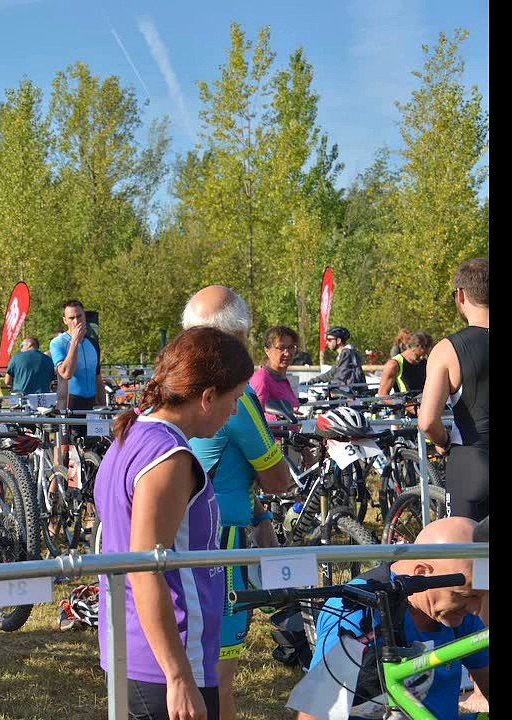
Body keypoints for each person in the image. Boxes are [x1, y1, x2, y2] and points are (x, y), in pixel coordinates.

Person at [95, 326, 257, 720]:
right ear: (206, 397)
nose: (234, 411)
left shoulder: (131, 433)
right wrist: (179, 676)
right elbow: (144, 568)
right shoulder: (168, 457)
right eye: (233, 400)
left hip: (136, 647)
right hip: (167, 658)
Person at [181, 286, 294, 720]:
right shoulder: (238, 395)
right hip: (221, 537)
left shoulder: (172, 384)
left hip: (179, 536)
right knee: (218, 682)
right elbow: (278, 476)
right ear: (241, 336)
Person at [290, 517, 488, 720]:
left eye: (481, 596)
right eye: (465, 596)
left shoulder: (458, 607)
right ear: (422, 573)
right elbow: (314, 714)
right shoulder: (359, 614)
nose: (475, 609)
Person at [419, 258, 488, 522]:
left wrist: (443, 441)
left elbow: (427, 421)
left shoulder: (448, 349)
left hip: (471, 463)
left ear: (460, 295)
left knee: (465, 560)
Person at [50, 299, 105, 414]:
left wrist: (103, 406)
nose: (76, 321)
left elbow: (97, 378)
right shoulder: (58, 343)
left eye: (79, 316)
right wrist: (74, 342)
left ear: (84, 316)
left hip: (92, 404)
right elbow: (66, 373)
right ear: (65, 320)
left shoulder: (93, 343)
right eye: (71, 318)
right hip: (70, 404)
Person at [249, 325, 302, 425]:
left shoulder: (282, 378)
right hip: (274, 440)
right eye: (281, 348)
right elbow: (252, 417)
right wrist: (281, 416)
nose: (287, 353)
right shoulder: (262, 379)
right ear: (267, 350)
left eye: (291, 347)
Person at [305, 326, 366, 392]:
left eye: (329, 340)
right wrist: (311, 381)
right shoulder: (343, 354)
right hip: (348, 394)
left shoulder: (346, 353)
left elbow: (341, 375)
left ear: (338, 340)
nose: (327, 343)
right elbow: (331, 374)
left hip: (351, 395)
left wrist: (331, 386)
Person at [377, 331, 432, 397]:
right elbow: (382, 395)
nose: (421, 358)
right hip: (404, 405)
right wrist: (402, 404)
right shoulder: (393, 365)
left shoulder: (428, 360)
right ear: (409, 348)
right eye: (417, 355)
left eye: (424, 354)